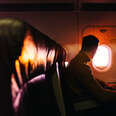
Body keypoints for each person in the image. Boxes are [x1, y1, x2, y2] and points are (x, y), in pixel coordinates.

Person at [64, 35, 116, 107]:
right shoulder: (81, 66)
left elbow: (89, 80)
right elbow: (102, 96)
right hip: (81, 102)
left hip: (81, 96)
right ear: (94, 48)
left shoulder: (77, 62)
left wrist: (105, 84)